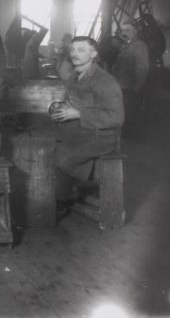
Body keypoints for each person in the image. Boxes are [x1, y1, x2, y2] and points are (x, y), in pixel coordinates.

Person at [50, 36, 124, 218]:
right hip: (84, 131)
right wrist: (59, 109)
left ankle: (60, 201)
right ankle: (63, 195)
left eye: (81, 50)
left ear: (94, 54)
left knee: (62, 154)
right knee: (45, 144)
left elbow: (117, 117)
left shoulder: (105, 81)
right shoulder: (76, 77)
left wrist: (79, 114)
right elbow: (75, 103)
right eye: (73, 49)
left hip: (102, 137)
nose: (75, 54)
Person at [111, 21, 150, 137]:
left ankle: (133, 140)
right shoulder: (125, 45)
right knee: (124, 112)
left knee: (131, 112)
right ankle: (125, 137)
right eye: (122, 30)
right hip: (122, 85)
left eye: (127, 30)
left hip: (131, 88)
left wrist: (136, 87)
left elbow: (142, 68)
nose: (124, 33)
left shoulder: (139, 46)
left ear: (135, 32)